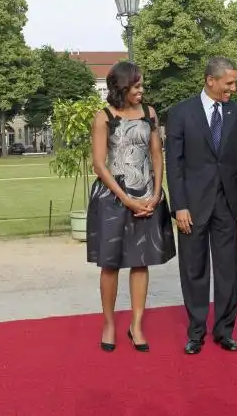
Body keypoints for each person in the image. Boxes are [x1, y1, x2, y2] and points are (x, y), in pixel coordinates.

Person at [86, 60, 176, 353]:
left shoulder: (149, 113)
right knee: (110, 263)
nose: (142, 90)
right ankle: (109, 323)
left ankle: (136, 325)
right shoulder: (103, 117)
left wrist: (156, 193)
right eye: (137, 85)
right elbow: (99, 164)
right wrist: (125, 199)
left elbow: (157, 154)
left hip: (147, 192)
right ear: (122, 87)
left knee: (141, 260)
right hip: (113, 198)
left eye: (142, 85)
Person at [165, 56, 237, 355]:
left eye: (234, 82)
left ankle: (224, 330)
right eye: (229, 83)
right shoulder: (180, 113)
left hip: (228, 203)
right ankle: (196, 332)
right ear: (210, 80)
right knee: (194, 270)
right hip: (192, 206)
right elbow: (173, 164)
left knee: (227, 269)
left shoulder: (236, 111)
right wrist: (180, 206)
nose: (233, 88)